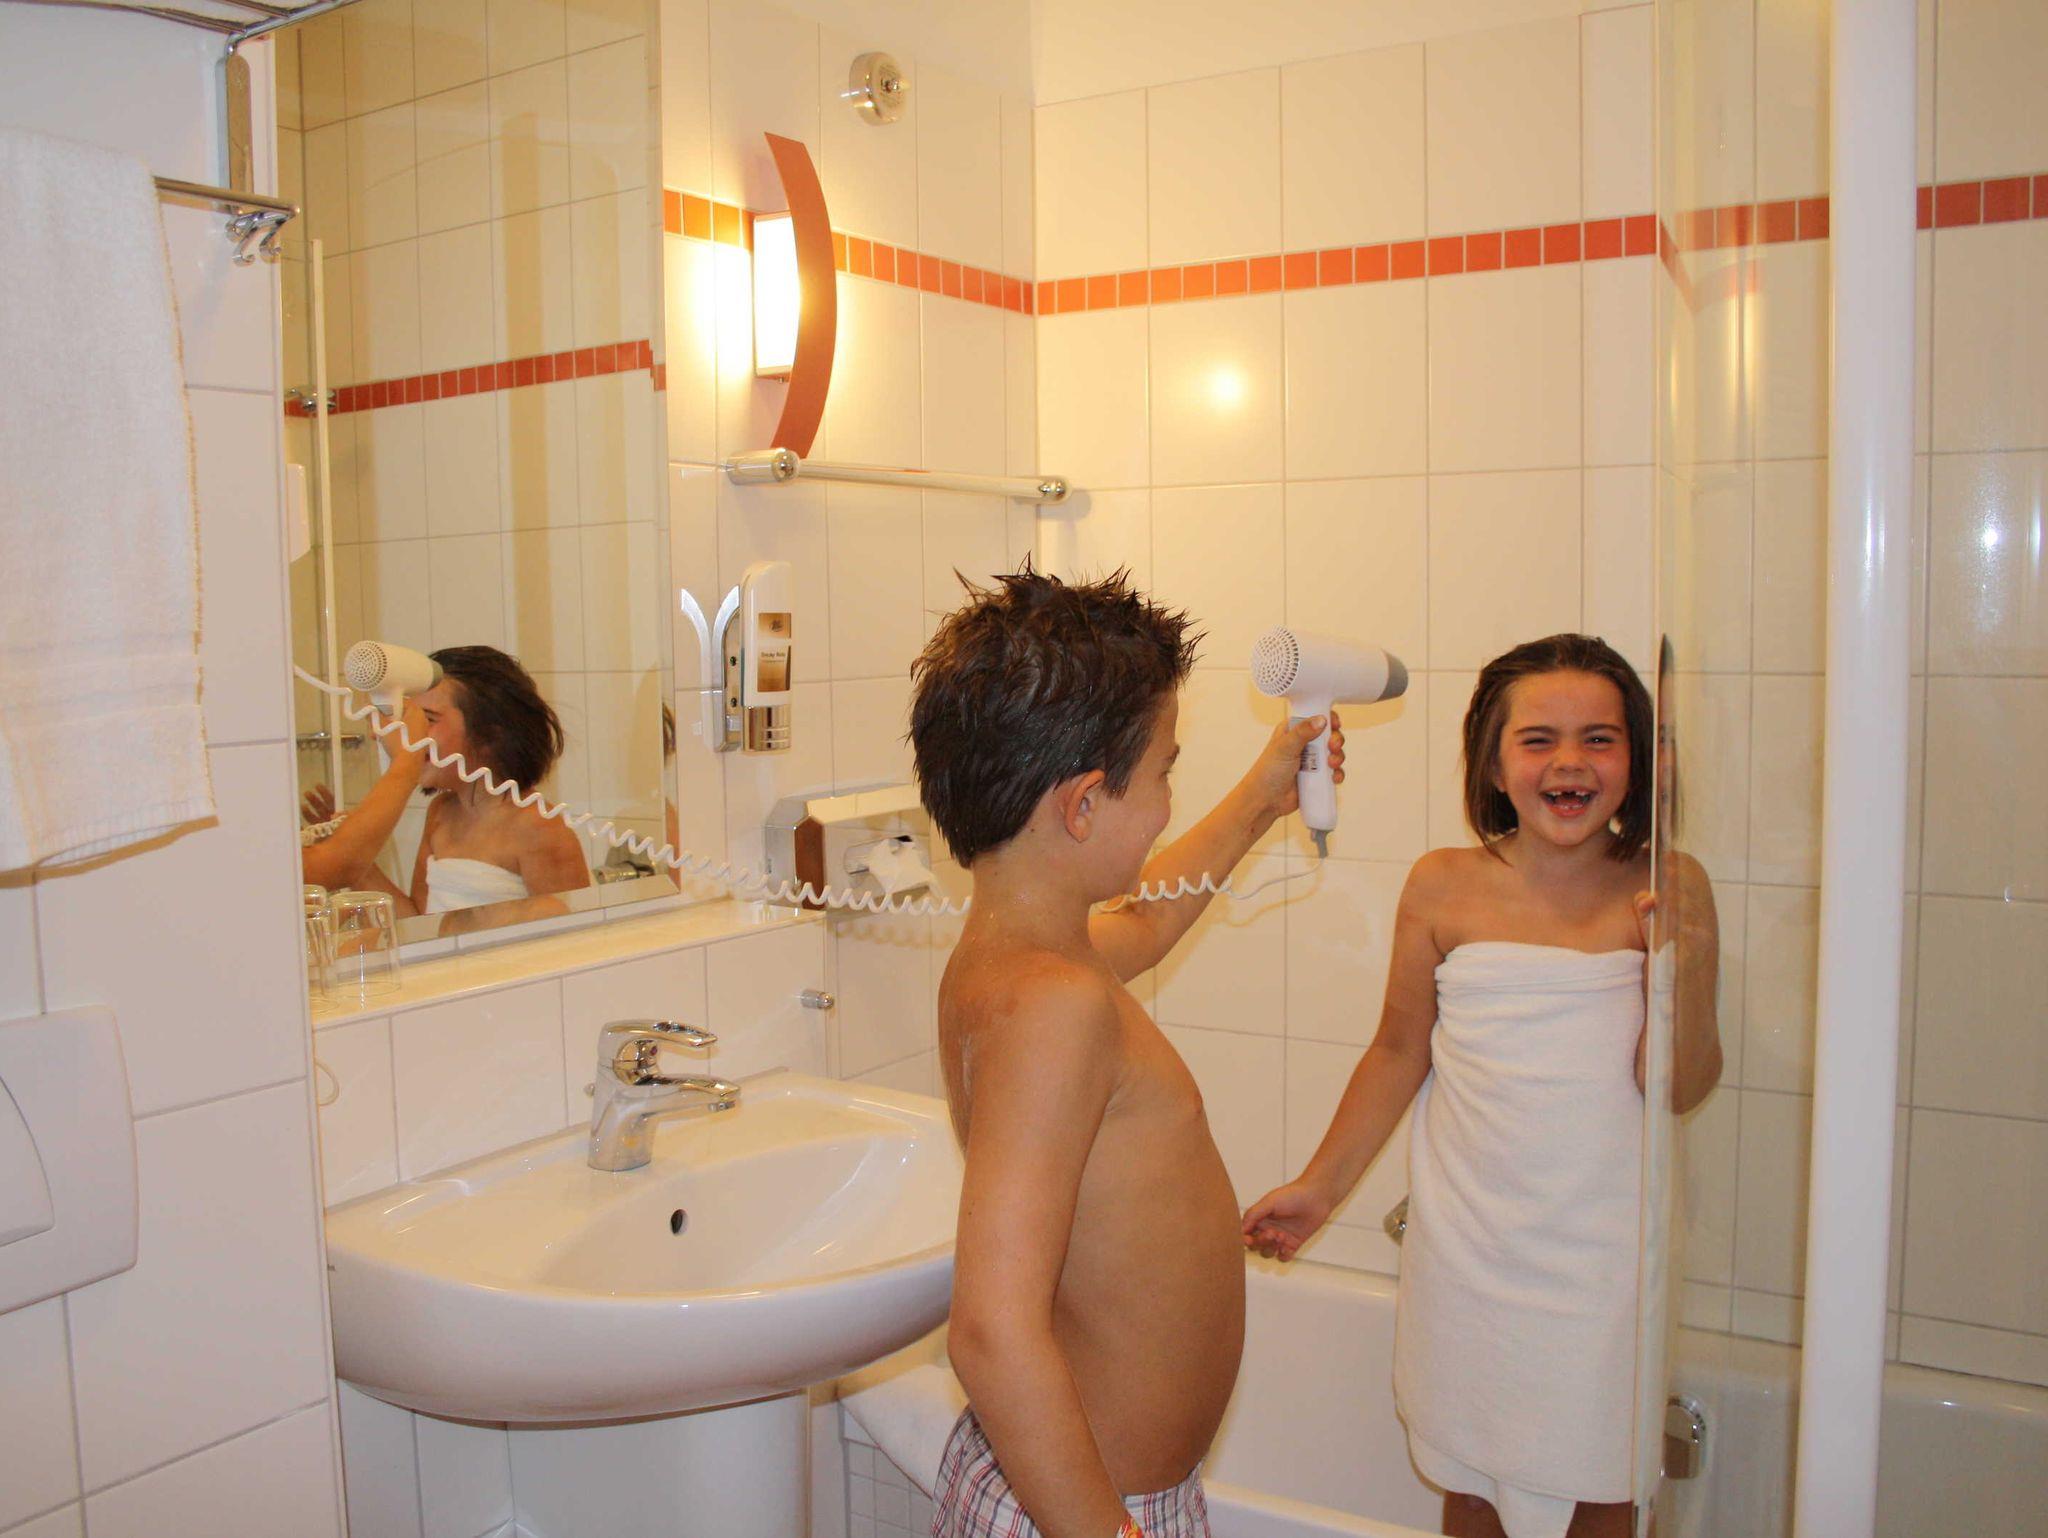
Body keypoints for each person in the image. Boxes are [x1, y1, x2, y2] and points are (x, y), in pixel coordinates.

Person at [1241, 633, 1721, 1538]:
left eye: (1600, 739)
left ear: (1635, 761)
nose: (1569, 762)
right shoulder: (1442, 886)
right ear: (1495, 766)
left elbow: (1680, 1087)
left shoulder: (1670, 887)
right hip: (1470, 1258)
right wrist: (1318, 1188)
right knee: (1470, 1487)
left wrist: (1681, 971)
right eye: (1538, 739)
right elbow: (1397, 1051)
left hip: (1603, 1271)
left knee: (1606, 1493)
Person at [908, 566, 1345, 1538]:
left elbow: (1148, 919)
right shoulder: (1052, 1005)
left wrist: (1261, 796)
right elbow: (990, 1331)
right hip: (1082, 1507)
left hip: (1071, 1491)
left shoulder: (1020, 957)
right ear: (1081, 806)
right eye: (1162, 775)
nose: (1164, 806)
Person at [351, 645, 590, 928]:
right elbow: (421, 926)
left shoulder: (539, 828)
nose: (408, 736)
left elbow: (575, 938)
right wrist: (353, 862)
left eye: (426, 720)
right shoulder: (441, 812)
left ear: (489, 736)